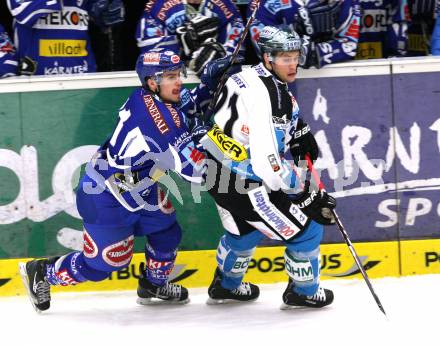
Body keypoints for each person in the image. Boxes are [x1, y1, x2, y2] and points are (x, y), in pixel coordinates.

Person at [18, 48, 218, 312]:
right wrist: (206, 139)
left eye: (178, 74)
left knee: (167, 233)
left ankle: (153, 284)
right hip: (105, 198)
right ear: (151, 81)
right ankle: (42, 271)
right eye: (170, 76)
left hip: (139, 188)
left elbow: (187, 107)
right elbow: (196, 171)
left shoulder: (148, 98)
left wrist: (210, 84)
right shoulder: (160, 123)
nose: (178, 81)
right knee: (103, 266)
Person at [199, 26, 337, 308]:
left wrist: (299, 131)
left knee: (244, 231)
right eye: (285, 57)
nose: (293, 63)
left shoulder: (245, 74)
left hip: (214, 172)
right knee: (308, 230)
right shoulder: (272, 98)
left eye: (295, 56)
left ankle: (227, 286)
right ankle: (304, 292)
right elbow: (268, 166)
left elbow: (263, 117)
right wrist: (304, 194)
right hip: (245, 183)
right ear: (268, 57)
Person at [6, 0, 125, 75]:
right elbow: (22, 11)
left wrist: (107, 11)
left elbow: (98, 13)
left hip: (83, 75)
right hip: (37, 81)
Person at [136, 0, 244, 75]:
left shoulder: (227, 7)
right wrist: (182, 43)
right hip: (170, 84)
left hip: (215, 85)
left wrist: (220, 59)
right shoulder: (157, 6)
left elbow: (237, 52)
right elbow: (149, 54)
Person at [248, 0, 361, 69]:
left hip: (335, 83)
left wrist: (316, 53)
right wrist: (295, 45)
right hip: (280, 86)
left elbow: (349, 44)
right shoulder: (260, 3)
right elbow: (262, 44)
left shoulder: (344, 1)